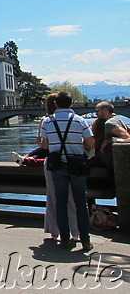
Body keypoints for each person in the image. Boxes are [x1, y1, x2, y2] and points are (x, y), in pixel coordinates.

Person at [40, 91, 95, 251]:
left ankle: (64, 239)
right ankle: (85, 240)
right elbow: (90, 143)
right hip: (77, 164)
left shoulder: (48, 122)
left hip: (58, 165)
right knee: (80, 203)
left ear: (55, 104)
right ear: (72, 104)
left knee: (61, 202)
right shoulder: (80, 120)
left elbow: (44, 144)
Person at [92, 101, 130, 169]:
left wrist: (108, 141)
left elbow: (126, 136)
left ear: (105, 111)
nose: (96, 114)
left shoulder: (110, 123)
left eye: (97, 111)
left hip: (110, 161)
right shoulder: (118, 120)